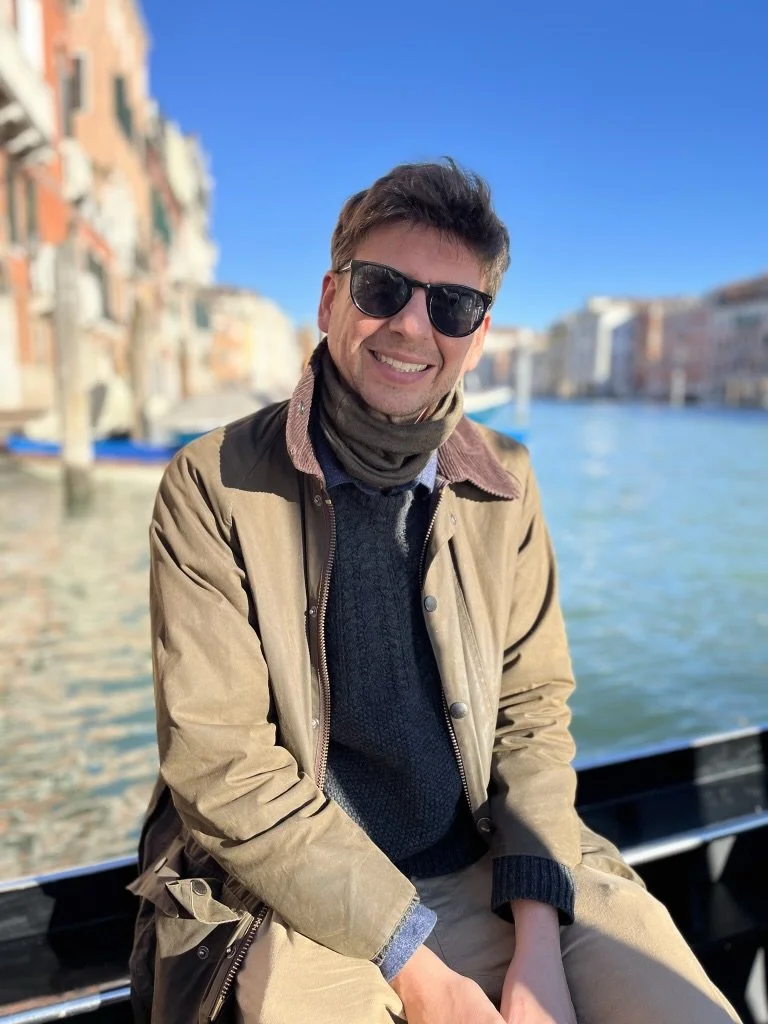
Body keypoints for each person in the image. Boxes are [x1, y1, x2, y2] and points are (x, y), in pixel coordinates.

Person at [128, 159, 741, 1024]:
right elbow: (225, 768)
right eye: (383, 289)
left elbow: (531, 712)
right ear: (331, 299)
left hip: (498, 867)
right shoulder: (210, 482)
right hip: (299, 900)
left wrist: (538, 944)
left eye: (452, 306)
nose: (413, 326)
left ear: (478, 336)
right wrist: (422, 972)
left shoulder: (507, 480)